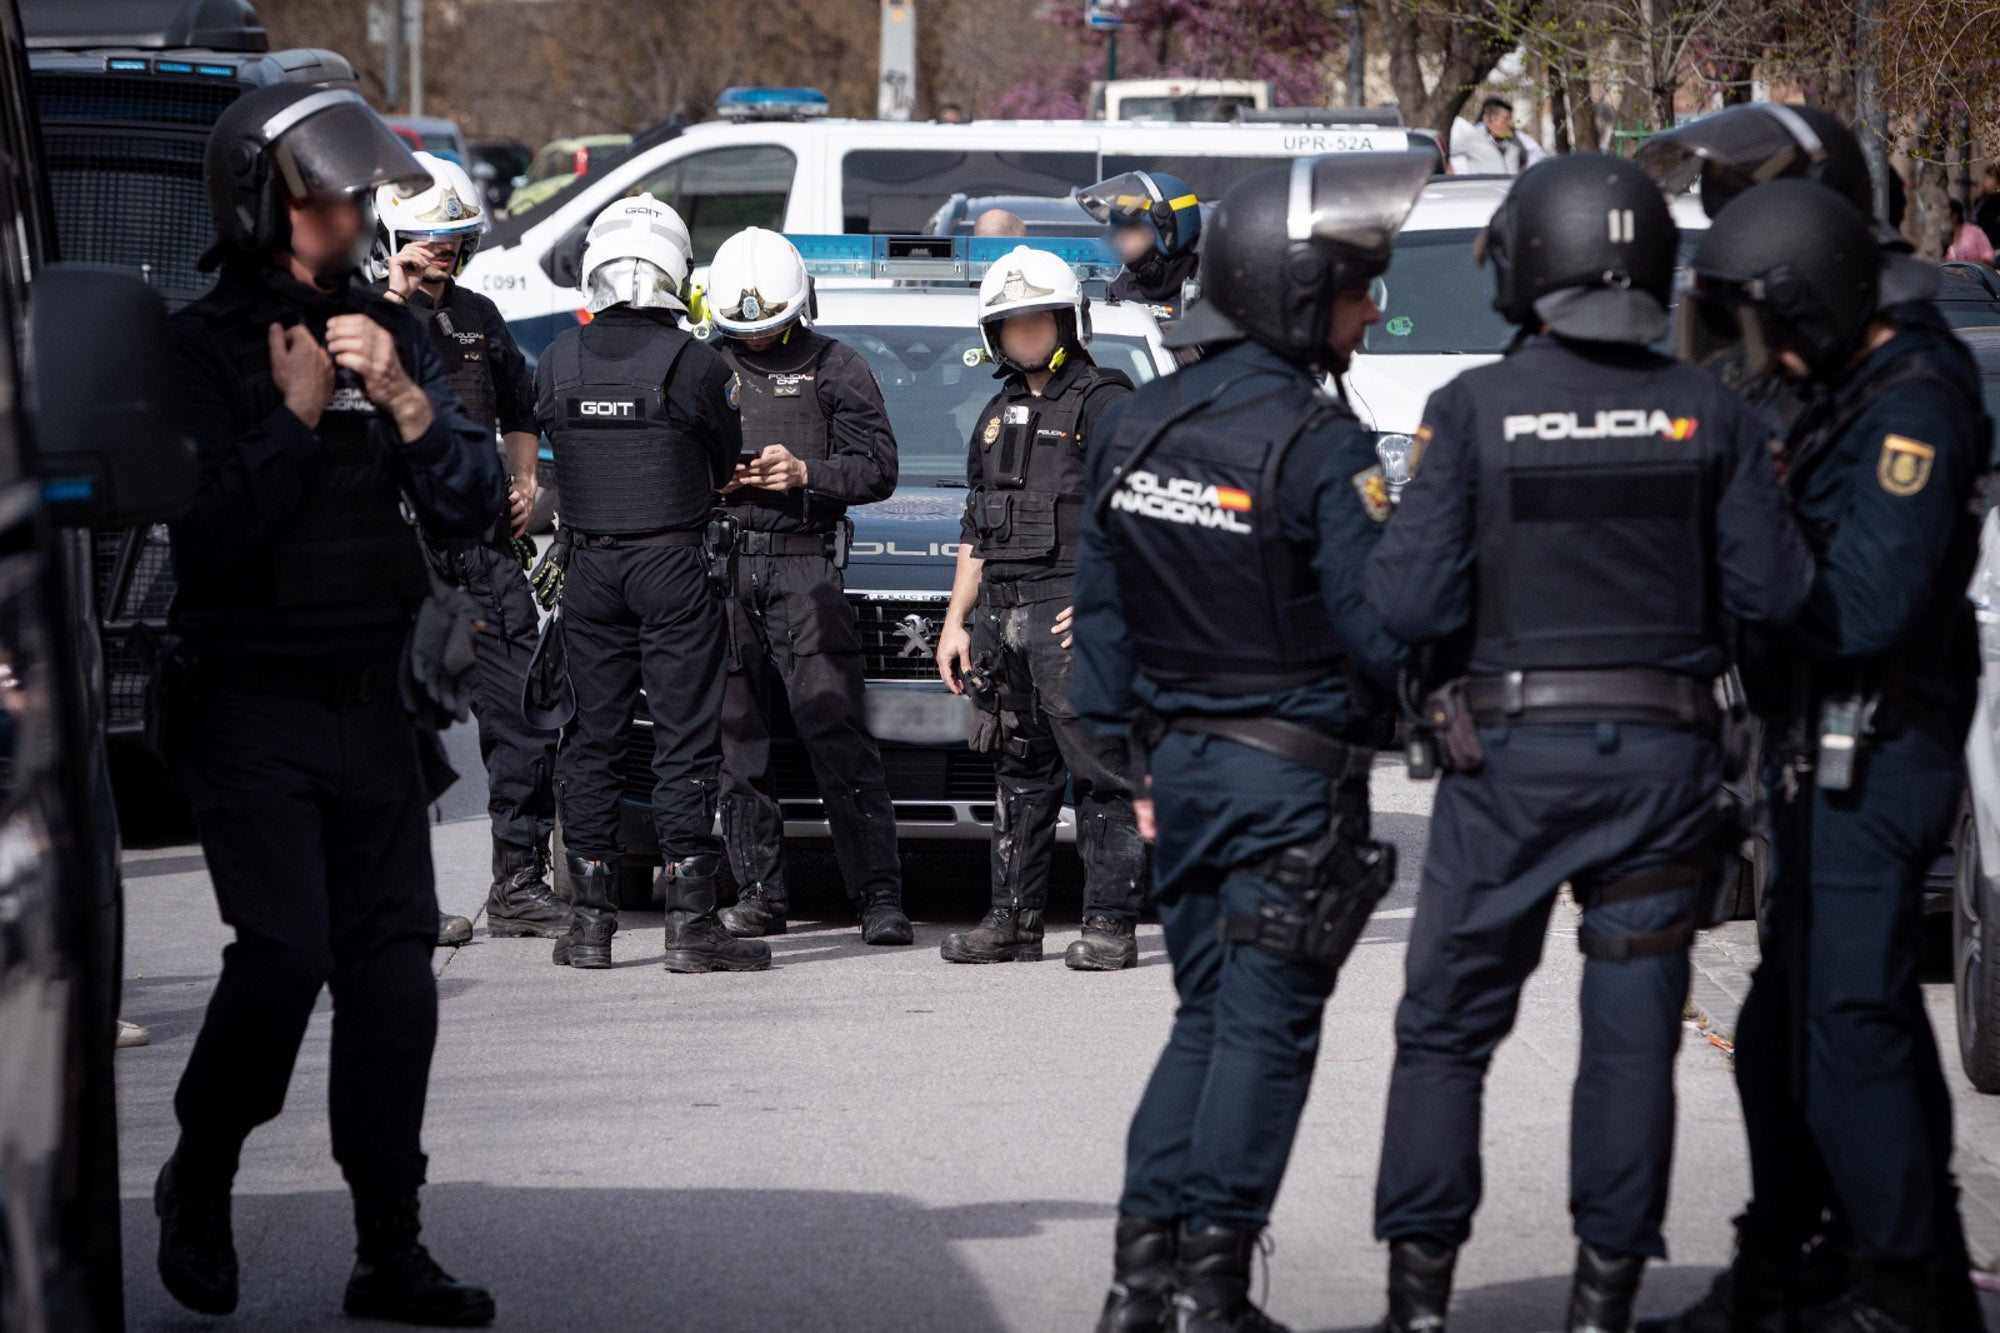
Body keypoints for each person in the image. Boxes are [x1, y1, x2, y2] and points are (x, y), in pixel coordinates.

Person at [1364, 154, 1813, 1332]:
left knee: (1445, 1032)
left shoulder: (1467, 409)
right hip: (1663, 773)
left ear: (1524, 266)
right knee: (1629, 1042)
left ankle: (1417, 1305)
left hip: (1504, 766)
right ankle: (1600, 1307)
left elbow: (1401, 609)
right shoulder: (1710, 408)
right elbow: (1773, 596)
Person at [155, 83, 502, 1325]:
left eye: (359, 194)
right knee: (286, 957)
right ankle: (200, 1175)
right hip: (251, 705)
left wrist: (406, 404)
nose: (356, 213)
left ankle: (388, 1248)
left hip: (375, 708)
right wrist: (300, 413)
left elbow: (472, 505)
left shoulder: (381, 326)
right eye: (329, 196)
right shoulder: (199, 347)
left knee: (394, 976)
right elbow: (208, 542)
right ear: (265, 205)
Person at [1074, 150, 1435, 1333]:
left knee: (1202, 1016)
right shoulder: (1320, 445)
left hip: (1172, 769)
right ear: (1289, 295)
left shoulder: (1132, 419)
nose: (1371, 310)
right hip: (1286, 776)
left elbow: (1104, 615)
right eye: (1353, 290)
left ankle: (1138, 1290)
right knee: (1264, 1031)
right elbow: (1382, 636)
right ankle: (1213, 1296)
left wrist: (1133, 767)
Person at [1646, 180, 1986, 1333]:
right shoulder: (1847, 388)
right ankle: (1799, 1258)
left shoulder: (1913, 409)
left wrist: (1740, 543)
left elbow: (1864, 605)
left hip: (1878, 744)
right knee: (1786, 1025)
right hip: (1815, 744)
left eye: (1766, 326)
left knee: (1848, 1021)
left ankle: (1901, 1288)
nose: (1759, 354)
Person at [535, 195, 768, 974]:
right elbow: (725, 453)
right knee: (684, 741)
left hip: (589, 569)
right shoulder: (697, 365)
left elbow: (554, 448)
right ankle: (691, 926)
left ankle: (591, 926)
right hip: (672, 565)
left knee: (592, 741)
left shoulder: (557, 358)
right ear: (676, 271)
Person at [369, 152, 567, 947]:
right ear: (392, 235)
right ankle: (401, 902)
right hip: (398, 549)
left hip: (480, 548)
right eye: (425, 237)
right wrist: (390, 290)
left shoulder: (481, 317)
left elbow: (521, 404)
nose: (440, 251)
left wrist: (521, 480)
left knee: (523, 715)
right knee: (395, 735)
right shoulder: (361, 312)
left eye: (452, 237)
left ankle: (518, 883)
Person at [698, 227, 913, 946]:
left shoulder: (837, 365)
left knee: (837, 732)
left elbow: (879, 468)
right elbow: (662, 460)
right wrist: (710, 480)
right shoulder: (703, 365)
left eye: (769, 327)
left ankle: (879, 896)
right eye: (742, 330)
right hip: (723, 570)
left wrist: (806, 474)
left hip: (805, 566)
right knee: (738, 741)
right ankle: (759, 894)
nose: (755, 341)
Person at [934, 245, 1145, 969]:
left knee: (1100, 770)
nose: (1026, 333)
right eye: (1012, 323)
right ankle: (1013, 924)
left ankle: (1111, 925)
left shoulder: (1106, 401)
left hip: (1071, 612)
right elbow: (976, 525)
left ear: (1068, 321)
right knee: (1019, 775)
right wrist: (957, 620)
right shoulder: (994, 413)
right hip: (1003, 617)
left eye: (1039, 320)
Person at [1077, 170, 1203, 323]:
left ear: (1167, 231)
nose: (1120, 238)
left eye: (1131, 228)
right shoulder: (1120, 290)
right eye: (1117, 228)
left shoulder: (1214, 292)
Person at [1447, 97, 1525, 175]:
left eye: (1511, 119)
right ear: (1492, 119)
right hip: (1483, 186)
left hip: (1511, 185)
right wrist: (1450, 180)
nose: (1510, 123)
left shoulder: (1515, 140)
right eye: (1506, 119)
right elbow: (1448, 156)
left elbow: (1524, 159)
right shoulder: (1473, 136)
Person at [1946, 197, 1995, 265]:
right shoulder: (1944, 236)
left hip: (1976, 273)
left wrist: (1974, 267)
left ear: (1955, 215)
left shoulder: (1974, 232)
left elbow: (1988, 255)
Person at [1973, 166, 2000, 249]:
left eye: (1990, 178)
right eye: (1986, 178)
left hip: (1994, 243)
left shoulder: (1996, 199)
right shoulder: (1984, 198)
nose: (1986, 182)